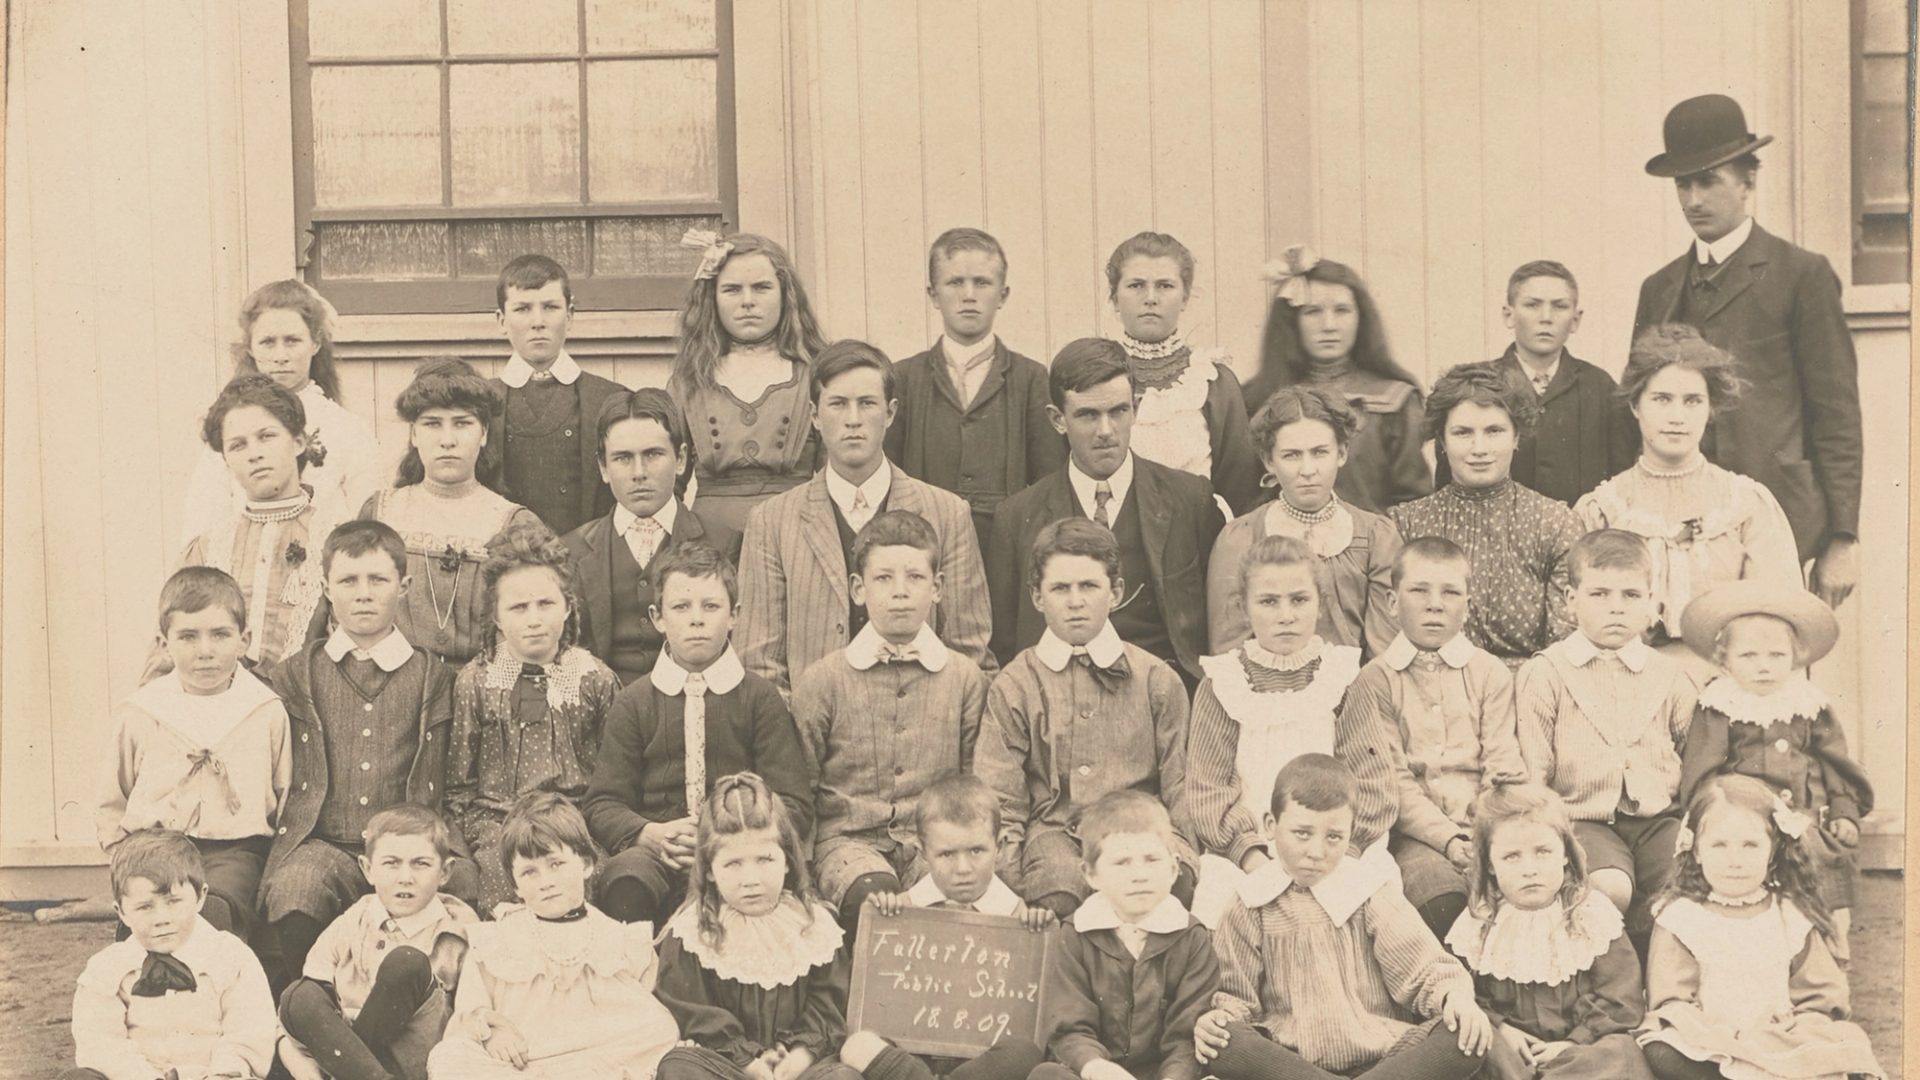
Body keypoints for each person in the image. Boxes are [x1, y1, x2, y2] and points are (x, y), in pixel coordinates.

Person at [1635, 94, 1863, 609]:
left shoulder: (1801, 275)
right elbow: (1641, 410)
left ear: (1748, 181)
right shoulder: (1659, 289)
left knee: (1768, 673)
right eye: (1682, 184)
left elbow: (1837, 413)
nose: (1693, 199)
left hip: (1779, 525)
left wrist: (1843, 537)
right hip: (1677, 528)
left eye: (1708, 180)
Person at [263, 520, 476, 981]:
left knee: (467, 886)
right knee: (295, 887)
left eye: (377, 580)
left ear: (404, 587)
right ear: (325, 588)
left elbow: (455, 776)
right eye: (348, 581)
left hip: (408, 848)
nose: (363, 594)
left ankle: (421, 1013)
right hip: (325, 844)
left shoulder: (433, 677)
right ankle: (310, 1007)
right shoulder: (295, 675)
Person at [1194, 754, 1490, 1080]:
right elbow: (1237, 999)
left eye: (1333, 836)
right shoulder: (1249, 902)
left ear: (1350, 834)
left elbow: (1426, 969)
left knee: (1463, 1034)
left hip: (1384, 1059)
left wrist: (1455, 998)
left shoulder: (1368, 891)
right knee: (1224, 1041)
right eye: (1302, 833)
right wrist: (1220, 1020)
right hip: (1293, 1065)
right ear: (1270, 825)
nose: (1317, 851)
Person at [737, 339, 994, 698]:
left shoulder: (947, 513)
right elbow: (760, 664)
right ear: (814, 415)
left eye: (867, 404)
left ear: (889, 413)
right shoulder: (772, 522)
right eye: (838, 404)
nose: (853, 420)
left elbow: (970, 653)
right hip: (812, 737)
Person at [974, 518, 1195, 920]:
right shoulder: (1015, 685)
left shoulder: (1156, 680)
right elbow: (1000, 798)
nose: (1075, 601)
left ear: (1116, 592)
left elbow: (1181, 788)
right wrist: (1010, 877)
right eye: (1060, 588)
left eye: (1089, 586)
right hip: (1054, 836)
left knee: (1159, 895)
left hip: (1138, 832)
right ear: (1037, 597)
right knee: (1056, 895)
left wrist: (1182, 857)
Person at [585, 542, 812, 926]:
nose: (696, 620)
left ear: (734, 615)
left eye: (710, 606)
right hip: (661, 852)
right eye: (681, 607)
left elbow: (794, 802)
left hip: (742, 851)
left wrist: (732, 836)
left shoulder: (759, 699)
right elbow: (603, 804)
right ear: (657, 617)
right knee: (625, 880)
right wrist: (649, 833)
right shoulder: (635, 702)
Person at [791, 510, 993, 931]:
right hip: (848, 845)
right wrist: (802, 878)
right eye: (883, 579)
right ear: (858, 589)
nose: (900, 592)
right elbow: (801, 788)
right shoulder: (824, 680)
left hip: (935, 848)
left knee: (950, 906)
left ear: (937, 588)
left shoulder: (964, 680)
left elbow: (976, 784)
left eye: (915, 578)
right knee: (874, 899)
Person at [987, 338, 1223, 686]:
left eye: (1118, 411)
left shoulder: (1190, 499)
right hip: (1059, 699)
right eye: (1087, 415)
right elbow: (1005, 645)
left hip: (1165, 696)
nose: (1106, 431)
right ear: (1058, 419)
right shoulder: (1017, 517)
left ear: (1136, 409)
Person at [1574, 325, 1800, 684]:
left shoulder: (1745, 505)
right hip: (1623, 690)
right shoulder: (1603, 509)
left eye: (1692, 400)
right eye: (1661, 399)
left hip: (1729, 691)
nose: (1677, 416)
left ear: (1710, 408)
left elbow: (1775, 621)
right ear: (1635, 405)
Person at [1338, 537, 1527, 937]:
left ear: (1468, 605)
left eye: (1450, 592)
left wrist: (1485, 832)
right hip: (1416, 835)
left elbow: (1502, 762)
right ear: (1392, 602)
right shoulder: (1374, 681)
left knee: (1523, 888)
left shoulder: (1489, 673)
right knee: (1441, 900)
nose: (1434, 604)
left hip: (1488, 825)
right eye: (1419, 590)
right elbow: (1392, 781)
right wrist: (1449, 840)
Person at [1637, 775, 1883, 1080]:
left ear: (1773, 852)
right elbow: (1671, 1001)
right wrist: (1715, 1030)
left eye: (1750, 845)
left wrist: (1797, 1025)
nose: (1734, 860)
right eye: (1719, 845)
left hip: (1780, 1037)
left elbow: (1820, 998)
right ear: (1697, 851)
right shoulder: (1682, 917)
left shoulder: (1790, 914)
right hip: (1713, 1042)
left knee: (1845, 1047)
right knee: (1664, 1051)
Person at [1514, 529, 1696, 939]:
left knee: (1683, 888)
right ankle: (1619, 983)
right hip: (1581, 818)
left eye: (1631, 596)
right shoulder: (1546, 673)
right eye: (1599, 595)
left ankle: (1664, 985)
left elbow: (1692, 759)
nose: (1616, 608)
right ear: (1570, 599)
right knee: (1609, 889)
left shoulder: (1669, 676)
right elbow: (1534, 770)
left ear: (1652, 602)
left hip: (1656, 821)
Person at [1677, 581, 1872, 962]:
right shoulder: (1720, 705)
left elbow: (1834, 763)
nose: (1764, 665)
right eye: (1748, 655)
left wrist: (1845, 811)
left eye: (1776, 655)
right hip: (1748, 820)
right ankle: (1762, 951)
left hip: (1806, 818)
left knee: (1824, 858)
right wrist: (1709, 817)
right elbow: (1703, 771)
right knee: (1749, 865)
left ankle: (1829, 943)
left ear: (1796, 658)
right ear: (1724, 659)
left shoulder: (1807, 704)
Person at [428, 792, 682, 1080]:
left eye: (556, 865)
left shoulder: (620, 939)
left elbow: (650, 1020)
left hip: (597, 1058)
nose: (546, 882)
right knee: (450, 1056)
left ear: (586, 864)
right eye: (529, 873)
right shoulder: (496, 940)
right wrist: (490, 1033)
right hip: (523, 1061)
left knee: (661, 1030)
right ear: (516, 886)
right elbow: (469, 1011)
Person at [101, 567, 290, 944]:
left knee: (214, 912)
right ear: (164, 642)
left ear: (244, 639)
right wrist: (121, 854)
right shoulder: (142, 711)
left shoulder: (264, 709)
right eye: (188, 636)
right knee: (148, 915)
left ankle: (214, 990)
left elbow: (283, 794)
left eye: (220, 635)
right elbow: (113, 796)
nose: (205, 651)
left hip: (234, 849)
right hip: (154, 843)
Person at [448, 520, 622, 916]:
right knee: (500, 873)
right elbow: (458, 785)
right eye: (518, 607)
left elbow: (612, 779)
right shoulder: (477, 682)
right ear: (496, 617)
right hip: (497, 822)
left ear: (567, 607)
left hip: (574, 821)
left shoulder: (594, 679)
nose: (534, 619)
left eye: (546, 604)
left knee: (590, 876)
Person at [1181, 536, 1368, 899]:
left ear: (1320, 602)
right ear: (1243, 608)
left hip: (1334, 852)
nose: (1286, 615)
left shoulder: (1342, 677)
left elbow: (1370, 778)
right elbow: (1208, 789)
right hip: (1250, 855)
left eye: (1299, 600)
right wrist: (1251, 856)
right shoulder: (1224, 684)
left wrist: (1335, 852)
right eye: (1268, 602)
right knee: (1223, 902)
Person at [653, 772, 862, 1080]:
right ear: (709, 870)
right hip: (730, 1068)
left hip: (801, 1069)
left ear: (788, 860)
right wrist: (748, 1062)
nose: (751, 879)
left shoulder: (814, 926)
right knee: (679, 1065)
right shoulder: (693, 933)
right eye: (733, 864)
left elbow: (828, 1007)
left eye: (765, 859)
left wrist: (798, 1057)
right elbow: (692, 1011)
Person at [838, 777, 1049, 1080]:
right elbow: (870, 993)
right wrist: (881, 922)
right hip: (912, 1049)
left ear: (999, 847)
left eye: (976, 851)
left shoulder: (1017, 916)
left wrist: (1034, 928)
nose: (963, 868)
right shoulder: (904, 908)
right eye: (947, 854)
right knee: (857, 1045)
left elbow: (1027, 999)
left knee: (1025, 1051)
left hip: (980, 1056)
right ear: (922, 852)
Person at [1444, 784, 1653, 1080]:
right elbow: (1463, 994)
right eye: (1512, 857)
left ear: (1565, 854)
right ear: (1490, 865)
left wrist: (1572, 1043)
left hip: (1579, 1050)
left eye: (1542, 852)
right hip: (1513, 1053)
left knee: (1622, 1051)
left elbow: (1621, 998)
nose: (1530, 869)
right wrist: (1502, 1029)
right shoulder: (1479, 922)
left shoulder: (1591, 915)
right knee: (1474, 1045)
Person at [1390, 360, 1582, 667]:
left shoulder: (1555, 523)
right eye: (1463, 432)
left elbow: (1565, 647)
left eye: (1494, 431)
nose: (1479, 448)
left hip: (1530, 693)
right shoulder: (1406, 525)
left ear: (1516, 436)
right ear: (1442, 440)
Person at [151, 374, 341, 681]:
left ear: (298, 442)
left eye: (266, 436)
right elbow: (168, 649)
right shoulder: (209, 548)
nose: (254, 454)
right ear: (226, 460)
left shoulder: (332, 541)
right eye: (238, 446)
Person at [884, 227, 1065, 547]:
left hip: (1005, 545)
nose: (969, 295)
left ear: (1003, 295)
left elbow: (1048, 481)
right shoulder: (904, 378)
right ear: (933, 295)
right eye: (955, 282)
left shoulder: (1032, 378)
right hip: (923, 545)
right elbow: (888, 475)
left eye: (982, 282)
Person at [360, 357, 540, 666]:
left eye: (462, 423)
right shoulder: (381, 512)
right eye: (432, 424)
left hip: (484, 688)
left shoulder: (513, 523)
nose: (447, 440)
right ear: (414, 435)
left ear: (483, 434)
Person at [1027, 790, 1219, 1080]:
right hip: (1097, 1073)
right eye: (1122, 862)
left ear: (1173, 867)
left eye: (1151, 859)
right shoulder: (1075, 935)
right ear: (1090, 874)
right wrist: (1096, 1067)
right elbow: (1070, 1027)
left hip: (1164, 1074)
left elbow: (1185, 1037)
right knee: (1046, 1075)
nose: (1139, 875)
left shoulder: (1192, 938)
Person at [277, 805, 478, 1080]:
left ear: (445, 872)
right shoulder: (356, 918)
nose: (405, 878)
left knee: (406, 963)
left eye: (421, 864)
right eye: (391, 863)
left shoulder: (458, 931)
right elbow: (312, 995)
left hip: (415, 1063)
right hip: (349, 1060)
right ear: (368, 869)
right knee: (297, 995)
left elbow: (472, 1017)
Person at [181, 279, 382, 546]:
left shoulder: (347, 429)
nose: (280, 356)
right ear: (251, 348)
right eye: (267, 342)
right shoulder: (232, 427)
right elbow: (203, 521)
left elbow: (370, 524)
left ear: (316, 343)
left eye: (292, 341)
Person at [64, 830, 276, 1080]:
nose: (161, 919)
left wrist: (222, 1073)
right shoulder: (106, 969)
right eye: (145, 907)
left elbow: (247, 1033)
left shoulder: (233, 958)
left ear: (200, 897)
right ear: (121, 911)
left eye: (174, 902)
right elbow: (100, 1043)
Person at [1207, 385, 1400, 659]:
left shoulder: (1377, 536)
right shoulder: (1241, 538)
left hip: (1359, 694)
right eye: (1291, 455)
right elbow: (1228, 651)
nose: (1308, 470)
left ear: (1342, 453)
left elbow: (1386, 651)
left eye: (1320, 452)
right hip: (1266, 695)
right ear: (1269, 461)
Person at [564, 388, 740, 686]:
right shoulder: (573, 549)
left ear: (681, 459)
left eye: (653, 454)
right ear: (603, 468)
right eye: (622, 458)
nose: (639, 472)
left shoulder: (725, 543)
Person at [1244, 249, 1430, 512]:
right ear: (1291, 321)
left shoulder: (1394, 401)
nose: (1329, 325)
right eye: (1313, 311)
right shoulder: (1255, 399)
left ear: (1360, 318)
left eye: (1342, 310)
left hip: (1373, 549)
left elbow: (1413, 504)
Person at [1437, 261, 1634, 506]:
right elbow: (1448, 482)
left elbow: (1623, 476)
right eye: (1532, 305)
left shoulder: (1600, 386)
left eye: (1559, 306)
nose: (1546, 318)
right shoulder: (1476, 385)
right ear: (1509, 315)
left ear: (1575, 319)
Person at [670, 232, 828, 536]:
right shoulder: (689, 381)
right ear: (712, 298)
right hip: (708, 544)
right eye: (731, 290)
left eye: (761, 288)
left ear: (785, 293)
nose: (747, 302)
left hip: (796, 533)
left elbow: (835, 476)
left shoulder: (815, 374)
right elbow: (669, 484)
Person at [1103, 231, 1262, 515]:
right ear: (1115, 298)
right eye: (1136, 285)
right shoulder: (1096, 376)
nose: (1150, 298)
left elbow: (1238, 486)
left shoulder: (1212, 382)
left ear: (1185, 297)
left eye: (1165, 286)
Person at [486, 254, 625, 536]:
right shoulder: (481, 402)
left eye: (550, 307)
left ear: (570, 316)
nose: (538, 322)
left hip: (587, 562)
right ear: (501, 320)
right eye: (523, 309)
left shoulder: (611, 399)